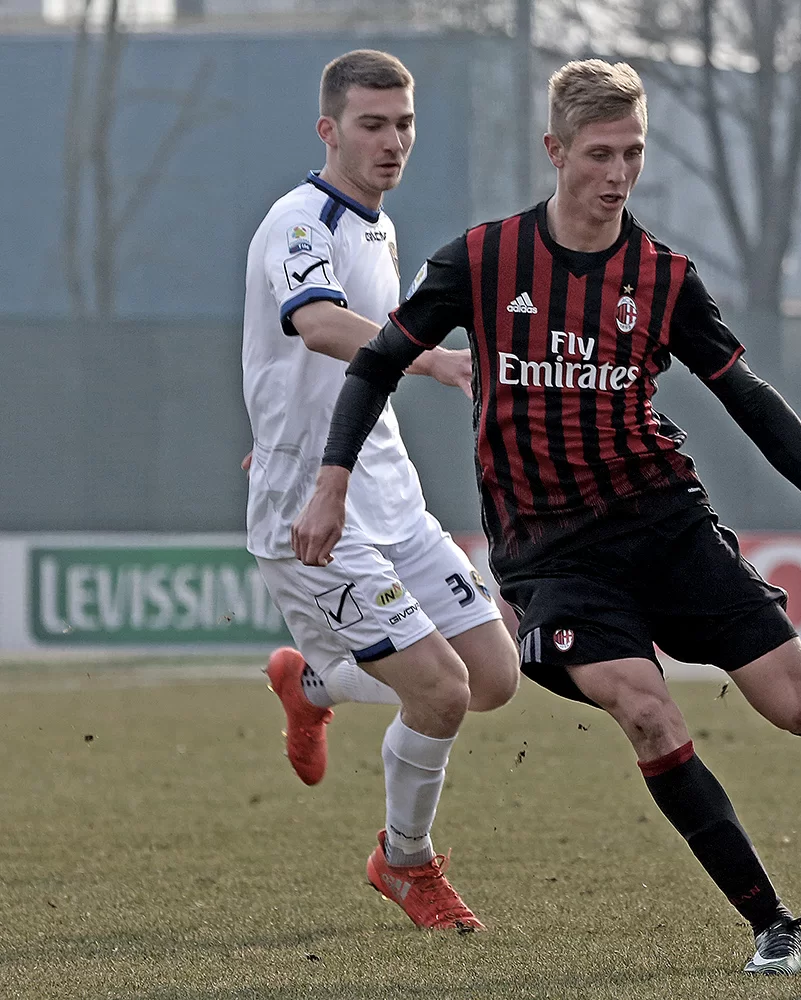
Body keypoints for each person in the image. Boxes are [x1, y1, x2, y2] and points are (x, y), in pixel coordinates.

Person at [292, 58, 801, 972]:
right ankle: (773, 923)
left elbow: (745, 395)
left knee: (793, 708)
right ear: (555, 151)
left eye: (632, 153)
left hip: (664, 523)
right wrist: (331, 481)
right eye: (599, 153)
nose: (618, 173)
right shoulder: (482, 261)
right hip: (552, 557)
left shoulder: (663, 277)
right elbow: (375, 362)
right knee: (647, 711)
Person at [242, 49, 520, 932]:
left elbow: (320, 370)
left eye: (403, 124)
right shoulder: (300, 221)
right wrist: (429, 358)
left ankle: (314, 687)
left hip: (390, 493)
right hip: (313, 505)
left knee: (493, 677)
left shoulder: (380, 228)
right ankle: (405, 863)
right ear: (329, 130)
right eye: (372, 124)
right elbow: (318, 325)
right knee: (438, 690)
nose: (392, 141)